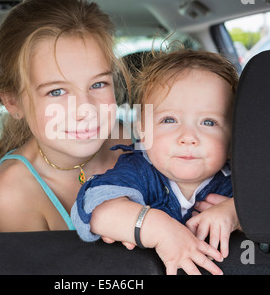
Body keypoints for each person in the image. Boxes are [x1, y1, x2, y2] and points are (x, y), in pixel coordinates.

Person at [0, 0, 132, 242]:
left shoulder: (140, 142)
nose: (86, 109)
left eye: (98, 84)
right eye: (56, 91)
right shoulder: (14, 193)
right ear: (13, 102)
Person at [71, 50, 240, 275]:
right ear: (142, 128)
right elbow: (92, 207)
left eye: (208, 122)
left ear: (233, 136)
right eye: (169, 120)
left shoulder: (242, 180)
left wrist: (238, 213)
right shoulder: (139, 170)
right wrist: (158, 228)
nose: (188, 136)